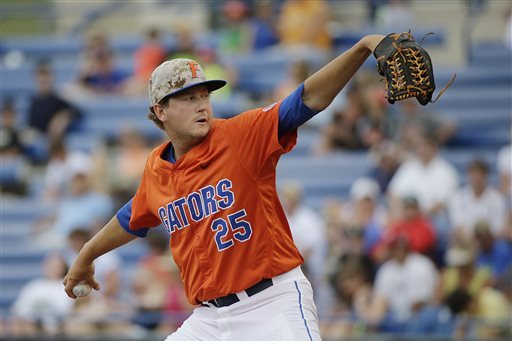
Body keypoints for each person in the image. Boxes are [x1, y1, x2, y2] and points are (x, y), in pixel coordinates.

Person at [64, 34, 387, 341]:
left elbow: (307, 99)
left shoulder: (241, 135)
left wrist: (361, 48)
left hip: (271, 302)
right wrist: (87, 253)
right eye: (189, 98)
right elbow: (132, 217)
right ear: (160, 111)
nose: (202, 105)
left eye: (205, 95)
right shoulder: (157, 167)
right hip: (209, 319)